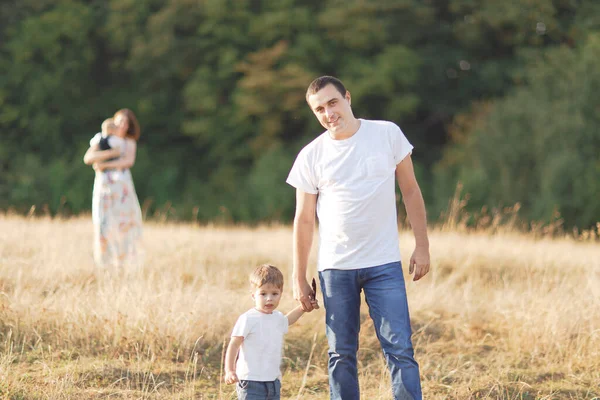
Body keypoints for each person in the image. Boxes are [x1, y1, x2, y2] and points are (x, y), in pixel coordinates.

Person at [286, 76, 431, 400]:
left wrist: (422, 246)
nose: (328, 113)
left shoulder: (386, 133)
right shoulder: (311, 155)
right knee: (341, 354)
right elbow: (304, 219)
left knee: (400, 349)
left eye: (332, 103)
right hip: (335, 269)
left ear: (347, 98)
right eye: (319, 109)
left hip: (384, 264)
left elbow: (410, 190)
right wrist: (298, 276)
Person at [224, 264, 319, 400]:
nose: (269, 298)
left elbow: (288, 320)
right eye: (263, 294)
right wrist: (230, 370)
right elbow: (234, 344)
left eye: (274, 294)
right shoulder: (248, 318)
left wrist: (304, 307)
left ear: (280, 294)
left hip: (273, 381)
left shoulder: (277, 317)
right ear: (253, 296)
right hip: (251, 381)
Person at [83, 109, 143, 269]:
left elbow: (127, 162)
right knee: (103, 223)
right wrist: (111, 152)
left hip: (121, 188)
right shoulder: (102, 140)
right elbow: (88, 158)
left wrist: (104, 164)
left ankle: (125, 262)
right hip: (104, 187)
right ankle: (104, 263)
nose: (122, 125)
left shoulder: (129, 142)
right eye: (119, 121)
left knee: (124, 224)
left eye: (125, 123)